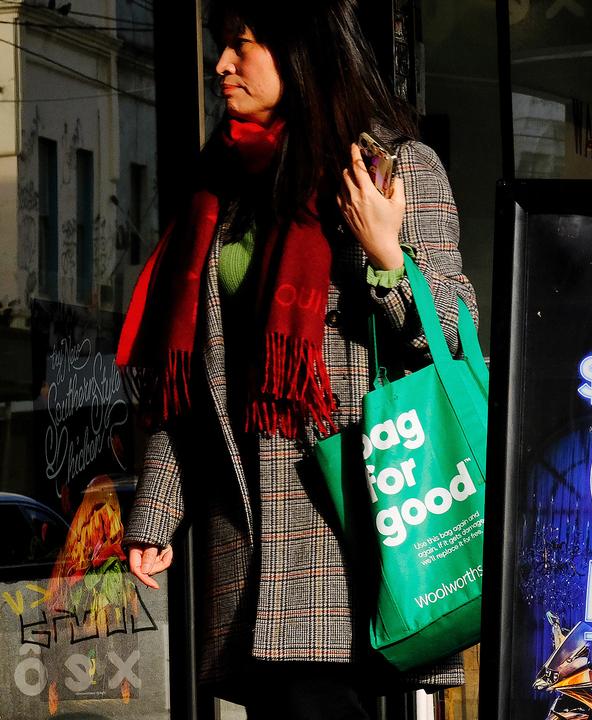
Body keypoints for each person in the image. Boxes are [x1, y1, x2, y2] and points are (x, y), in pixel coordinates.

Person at [116, 1, 477, 716]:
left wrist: (386, 256)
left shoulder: (393, 165)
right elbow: (189, 369)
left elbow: (451, 332)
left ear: (299, 54)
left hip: (351, 531)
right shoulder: (223, 186)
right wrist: (157, 512)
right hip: (246, 538)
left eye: (241, 46)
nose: (221, 65)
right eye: (221, 47)